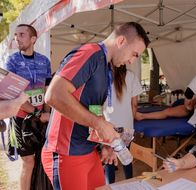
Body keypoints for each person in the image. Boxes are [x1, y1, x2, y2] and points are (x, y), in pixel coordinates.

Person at [42, 22, 150, 190]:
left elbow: (94, 108)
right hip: (66, 150)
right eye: (134, 54)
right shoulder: (90, 53)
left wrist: (104, 143)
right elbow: (54, 95)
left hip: (88, 149)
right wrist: (99, 124)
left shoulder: (106, 67)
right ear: (121, 41)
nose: (131, 60)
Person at [5, 24, 52, 190]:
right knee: (28, 162)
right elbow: (14, 94)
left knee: (42, 159)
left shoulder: (44, 61)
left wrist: (46, 113)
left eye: (22, 34)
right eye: (16, 35)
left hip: (42, 117)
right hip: (21, 118)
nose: (17, 38)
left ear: (33, 39)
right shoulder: (12, 61)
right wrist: (38, 113)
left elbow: (47, 91)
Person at [136, 59, 196, 136]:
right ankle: (142, 115)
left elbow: (189, 93)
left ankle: (142, 116)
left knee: (168, 112)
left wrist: (188, 105)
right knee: (169, 112)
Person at [103, 65, 143, 184]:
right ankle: (130, 183)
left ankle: (110, 186)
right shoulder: (131, 76)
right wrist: (130, 120)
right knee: (127, 158)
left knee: (109, 162)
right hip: (126, 127)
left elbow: (96, 103)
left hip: (108, 126)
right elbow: (134, 104)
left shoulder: (103, 76)